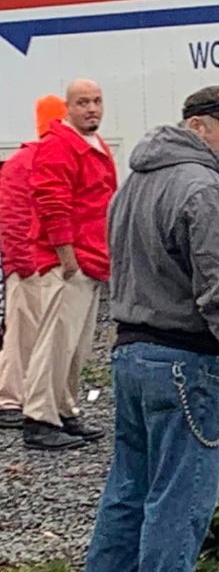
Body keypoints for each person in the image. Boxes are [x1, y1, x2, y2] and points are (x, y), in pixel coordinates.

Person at [79, 86, 219, 572]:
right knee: (180, 493)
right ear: (197, 126)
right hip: (185, 357)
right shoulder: (205, 188)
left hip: (130, 350)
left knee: (130, 484)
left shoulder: (136, 179)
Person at [22, 79, 117, 451]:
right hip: (70, 261)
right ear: (68, 107)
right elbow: (51, 201)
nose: (92, 108)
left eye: (96, 101)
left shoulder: (92, 144)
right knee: (56, 341)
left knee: (75, 345)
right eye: (83, 103)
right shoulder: (60, 145)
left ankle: (63, 408)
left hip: (88, 258)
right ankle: (40, 417)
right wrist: (65, 256)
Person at [0, 96, 67, 429]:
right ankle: (11, 398)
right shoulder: (39, 160)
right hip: (35, 263)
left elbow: (12, 217)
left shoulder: (23, 161)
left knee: (27, 334)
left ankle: (17, 397)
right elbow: (14, 217)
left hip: (30, 262)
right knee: (27, 334)